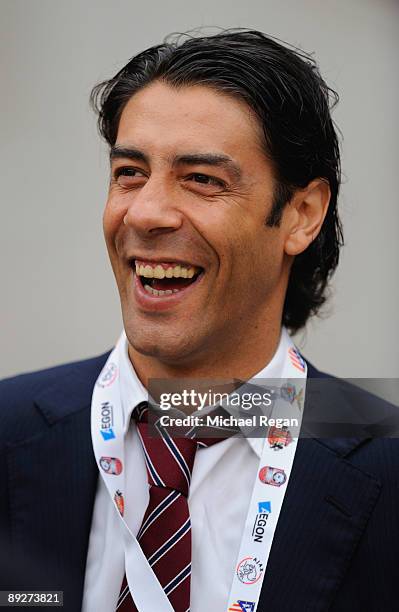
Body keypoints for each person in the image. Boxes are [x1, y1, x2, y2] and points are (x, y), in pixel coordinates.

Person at [0, 30, 398, 612]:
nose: (146, 211)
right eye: (129, 172)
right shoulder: (11, 432)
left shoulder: (386, 466)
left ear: (302, 215)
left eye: (203, 180)